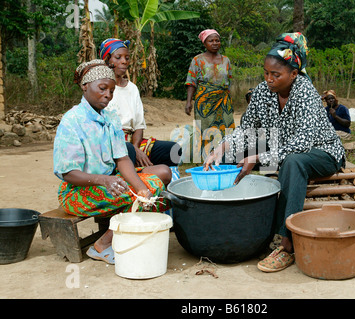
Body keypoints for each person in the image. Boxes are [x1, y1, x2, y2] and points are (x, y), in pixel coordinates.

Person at [204, 33, 345, 272]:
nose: (269, 79)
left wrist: (258, 157)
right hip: (279, 147)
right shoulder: (262, 91)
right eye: (266, 73)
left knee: (293, 162)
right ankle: (230, 225)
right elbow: (247, 128)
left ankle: (287, 244)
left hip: (320, 151)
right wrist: (222, 147)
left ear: (294, 74)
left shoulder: (306, 93)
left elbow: (301, 144)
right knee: (230, 155)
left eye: (276, 75)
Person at [53, 59, 172, 264]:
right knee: (140, 192)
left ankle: (128, 228)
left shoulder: (111, 117)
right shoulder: (72, 121)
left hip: (109, 182)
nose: (108, 95)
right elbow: (67, 173)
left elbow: (122, 158)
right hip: (76, 192)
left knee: (158, 176)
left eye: (111, 90)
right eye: (102, 88)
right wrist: (104, 181)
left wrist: (140, 188)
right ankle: (103, 245)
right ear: (84, 86)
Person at [99, 38, 181, 168]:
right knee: (128, 151)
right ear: (107, 59)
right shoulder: (100, 88)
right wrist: (133, 150)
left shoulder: (132, 89)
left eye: (127, 58)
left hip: (133, 141)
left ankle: (157, 181)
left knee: (173, 150)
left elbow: (138, 125)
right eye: (118, 57)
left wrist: (136, 148)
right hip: (111, 143)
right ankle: (135, 180)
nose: (124, 61)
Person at [185, 29, 235, 158]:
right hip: (204, 102)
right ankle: (206, 158)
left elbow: (228, 81)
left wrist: (229, 101)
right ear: (204, 43)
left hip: (223, 101)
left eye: (217, 40)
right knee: (206, 129)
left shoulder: (226, 60)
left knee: (227, 128)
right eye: (211, 41)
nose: (215, 43)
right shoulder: (197, 60)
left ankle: (226, 157)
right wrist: (189, 102)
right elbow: (191, 82)